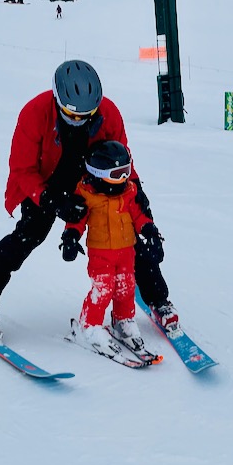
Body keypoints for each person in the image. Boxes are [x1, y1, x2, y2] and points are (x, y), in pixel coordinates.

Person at [0, 59, 177, 341]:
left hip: (91, 179)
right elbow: (21, 170)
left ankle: (158, 299)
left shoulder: (109, 114)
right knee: (30, 234)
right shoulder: (34, 114)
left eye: (87, 115)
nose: (80, 120)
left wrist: (141, 202)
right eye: (72, 115)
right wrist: (52, 202)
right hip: (44, 182)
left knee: (130, 228)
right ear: (57, 99)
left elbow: (122, 160)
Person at [60, 140, 164, 350]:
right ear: (97, 173)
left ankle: (123, 321)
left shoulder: (129, 192)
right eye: (117, 174)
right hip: (101, 254)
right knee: (103, 289)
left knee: (125, 288)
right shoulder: (87, 195)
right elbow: (77, 220)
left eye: (126, 171)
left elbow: (139, 216)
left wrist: (151, 232)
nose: (124, 178)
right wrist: (70, 237)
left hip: (127, 252)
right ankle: (89, 326)